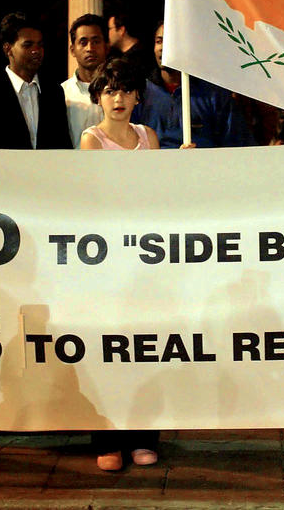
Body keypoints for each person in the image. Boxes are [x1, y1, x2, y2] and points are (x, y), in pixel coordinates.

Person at [79, 58, 159, 470]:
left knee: (146, 348)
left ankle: (143, 436)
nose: (118, 98)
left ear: (138, 97)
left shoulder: (149, 136)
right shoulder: (90, 140)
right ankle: (108, 441)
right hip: (108, 262)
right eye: (110, 91)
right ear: (98, 97)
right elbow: (98, 200)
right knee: (109, 350)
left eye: (126, 90)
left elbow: (159, 196)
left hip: (146, 261)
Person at [0, 15, 72, 150]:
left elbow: (63, 146)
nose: (36, 51)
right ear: (8, 49)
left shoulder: (54, 92)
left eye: (40, 45)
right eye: (28, 45)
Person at [62, 14, 108, 148]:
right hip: (73, 166)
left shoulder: (120, 93)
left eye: (96, 41)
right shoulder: (62, 94)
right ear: (72, 50)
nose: (90, 48)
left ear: (107, 46)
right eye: (83, 42)